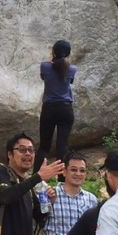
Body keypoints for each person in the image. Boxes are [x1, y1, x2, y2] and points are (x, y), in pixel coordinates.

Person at [34, 39, 75, 174]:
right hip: (66, 108)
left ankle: (36, 178)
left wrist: (52, 58)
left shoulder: (45, 66)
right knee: (62, 146)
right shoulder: (72, 69)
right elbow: (70, 80)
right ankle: (62, 180)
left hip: (49, 108)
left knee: (44, 146)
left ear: (53, 52)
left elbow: (43, 77)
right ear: (68, 54)